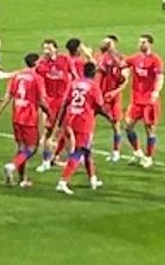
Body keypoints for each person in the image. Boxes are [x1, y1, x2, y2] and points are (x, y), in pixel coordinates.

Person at [0, 52, 48, 187]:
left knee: (21, 148)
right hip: (29, 117)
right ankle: (12, 166)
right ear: (35, 64)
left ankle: (22, 179)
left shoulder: (17, 76)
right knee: (32, 148)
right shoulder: (37, 78)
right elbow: (41, 100)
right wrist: (50, 113)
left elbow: (8, 96)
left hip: (16, 115)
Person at [56, 61, 105, 195]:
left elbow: (65, 103)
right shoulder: (93, 86)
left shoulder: (74, 83)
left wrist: (59, 123)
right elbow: (100, 106)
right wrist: (110, 118)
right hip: (83, 122)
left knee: (87, 150)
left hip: (70, 118)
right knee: (79, 151)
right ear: (94, 73)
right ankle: (63, 181)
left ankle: (93, 179)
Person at [124, 33, 165, 168]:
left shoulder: (155, 60)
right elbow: (121, 64)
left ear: (149, 44)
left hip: (149, 101)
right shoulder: (135, 58)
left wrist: (156, 92)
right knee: (128, 126)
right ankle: (137, 152)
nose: (140, 44)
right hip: (136, 100)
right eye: (139, 42)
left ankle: (149, 157)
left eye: (143, 42)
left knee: (150, 129)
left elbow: (159, 77)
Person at [35, 39, 74, 172]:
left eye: (49, 48)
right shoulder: (41, 64)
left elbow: (75, 76)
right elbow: (36, 80)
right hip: (49, 103)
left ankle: (72, 159)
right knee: (47, 132)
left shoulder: (65, 60)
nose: (47, 51)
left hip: (64, 102)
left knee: (66, 130)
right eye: (45, 48)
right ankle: (46, 161)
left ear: (56, 49)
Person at [96, 35, 128, 162]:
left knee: (115, 124)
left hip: (113, 97)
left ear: (114, 44)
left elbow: (124, 80)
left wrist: (115, 92)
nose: (104, 43)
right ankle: (82, 148)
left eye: (108, 42)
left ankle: (116, 151)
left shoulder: (122, 59)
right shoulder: (99, 56)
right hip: (98, 95)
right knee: (88, 121)